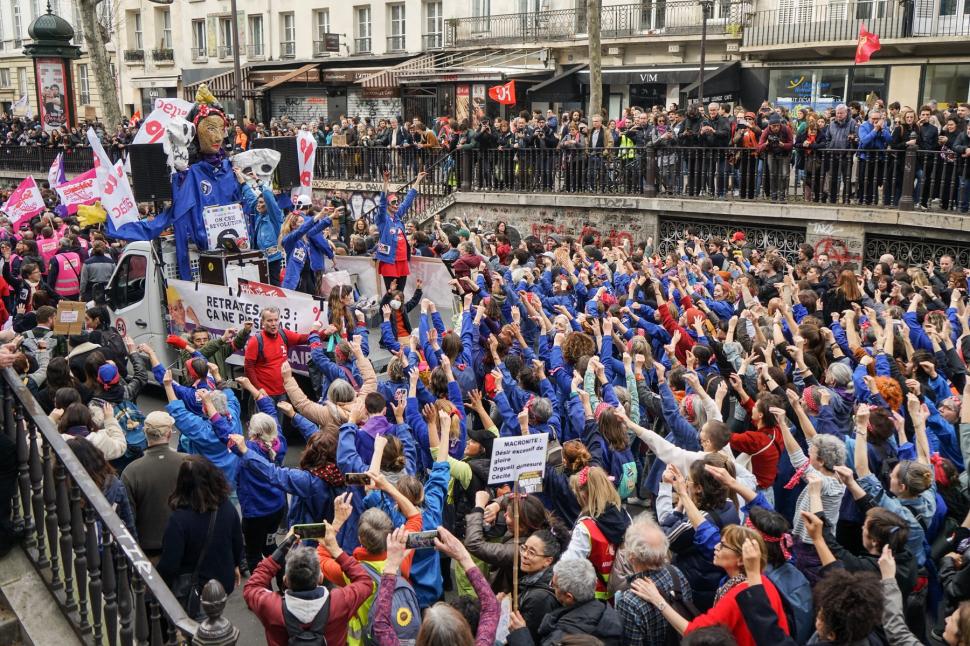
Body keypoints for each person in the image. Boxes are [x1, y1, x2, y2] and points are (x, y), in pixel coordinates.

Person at [244, 525, 373, 646]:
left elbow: (251, 587)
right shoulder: (340, 602)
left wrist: (283, 549)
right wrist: (336, 551)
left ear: (285, 580)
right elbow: (366, 581)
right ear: (320, 578)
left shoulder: (270, 606)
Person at [157, 455, 244, 619]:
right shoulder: (226, 507)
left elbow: (170, 563)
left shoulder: (179, 520)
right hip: (222, 581)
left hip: (196, 590)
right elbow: (237, 541)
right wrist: (236, 564)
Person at [121, 411, 188, 561]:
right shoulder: (187, 463)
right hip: (182, 545)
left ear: (145, 433)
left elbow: (127, 516)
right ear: (170, 434)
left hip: (148, 550)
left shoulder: (131, 471)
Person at [375, 170, 426, 291]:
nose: (396, 204)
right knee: (392, 293)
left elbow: (408, 201)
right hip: (389, 260)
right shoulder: (382, 219)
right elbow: (381, 204)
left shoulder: (397, 217)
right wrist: (385, 182)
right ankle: (388, 310)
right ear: (388, 205)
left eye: (397, 202)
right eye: (393, 202)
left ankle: (400, 310)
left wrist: (418, 180)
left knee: (400, 293)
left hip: (402, 260)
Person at [244, 307, 310, 398]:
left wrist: (324, 333)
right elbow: (248, 368)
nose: (273, 324)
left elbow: (302, 339)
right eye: (269, 320)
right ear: (262, 322)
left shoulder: (284, 334)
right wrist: (258, 389)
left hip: (283, 392)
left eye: (276, 320)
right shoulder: (255, 341)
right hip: (264, 394)